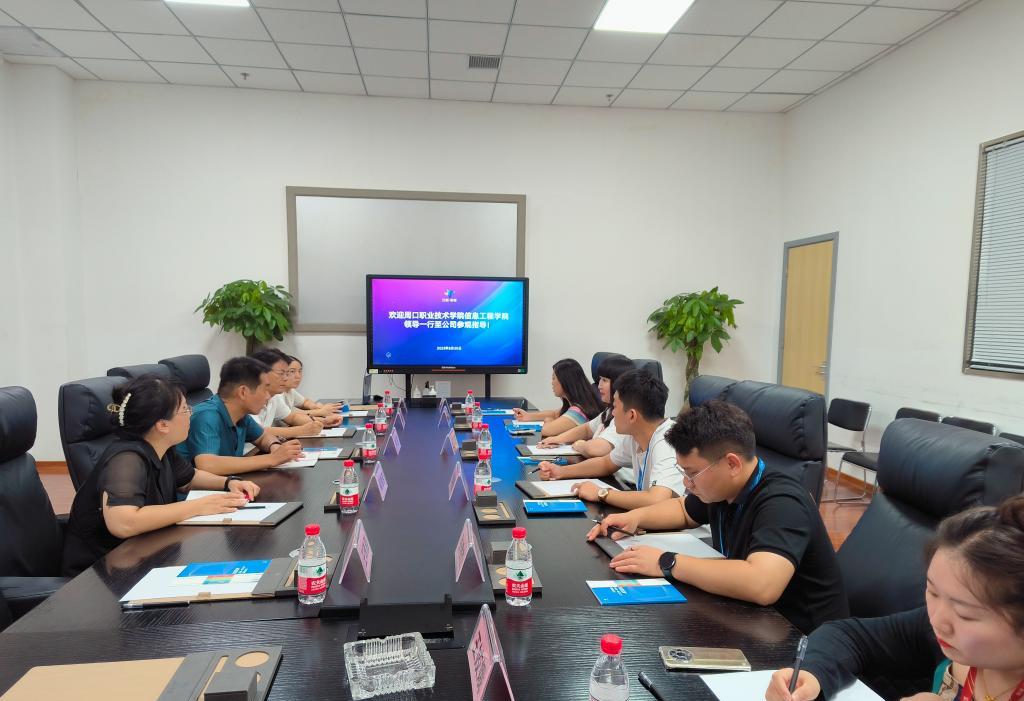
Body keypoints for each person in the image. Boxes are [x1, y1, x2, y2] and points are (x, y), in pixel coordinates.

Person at [587, 399, 848, 633]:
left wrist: (667, 562)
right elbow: (683, 510)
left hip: (803, 640)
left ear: (732, 464)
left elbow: (762, 584)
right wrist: (635, 517)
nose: (686, 483)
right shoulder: (723, 487)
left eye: (692, 473)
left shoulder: (783, 502)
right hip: (751, 619)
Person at [765, 495, 1024, 701]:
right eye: (932, 591)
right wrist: (813, 673)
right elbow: (850, 636)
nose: (937, 620)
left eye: (965, 614)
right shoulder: (936, 626)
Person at [62, 375, 262, 576]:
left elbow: (189, 478)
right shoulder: (126, 459)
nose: (191, 414)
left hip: (144, 555)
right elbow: (123, 523)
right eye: (185, 409)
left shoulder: (160, 447)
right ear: (162, 425)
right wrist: (198, 506)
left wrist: (229, 483)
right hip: (100, 573)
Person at [540, 369, 686, 509]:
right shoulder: (635, 435)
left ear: (632, 416)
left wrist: (601, 493)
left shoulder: (667, 441)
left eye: (615, 407)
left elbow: (656, 500)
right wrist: (561, 471)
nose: (613, 413)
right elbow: (606, 463)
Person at [177, 356, 305, 475]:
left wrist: (275, 447)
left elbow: (263, 437)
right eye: (264, 390)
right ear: (243, 392)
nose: (268, 397)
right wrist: (272, 459)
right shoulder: (207, 416)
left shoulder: (241, 415)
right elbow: (208, 465)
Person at [537, 353, 634, 459]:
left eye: (604, 380)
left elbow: (596, 449)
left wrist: (580, 444)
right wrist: (557, 439)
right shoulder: (608, 412)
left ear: (619, 384)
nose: (599, 385)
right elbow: (587, 429)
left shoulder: (622, 418)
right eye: (599, 380)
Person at [248, 349, 341, 438]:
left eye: (286, 373)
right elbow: (257, 431)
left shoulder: (274, 396)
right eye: (281, 373)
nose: (285, 378)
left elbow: (292, 417)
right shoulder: (248, 398)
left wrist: (324, 422)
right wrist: (301, 430)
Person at [511, 358, 603, 437]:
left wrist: (548, 420)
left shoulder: (578, 411)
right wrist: (528, 416)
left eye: (554, 378)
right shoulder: (580, 402)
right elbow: (555, 414)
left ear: (565, 381)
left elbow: (546, 430)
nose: (552, 383)